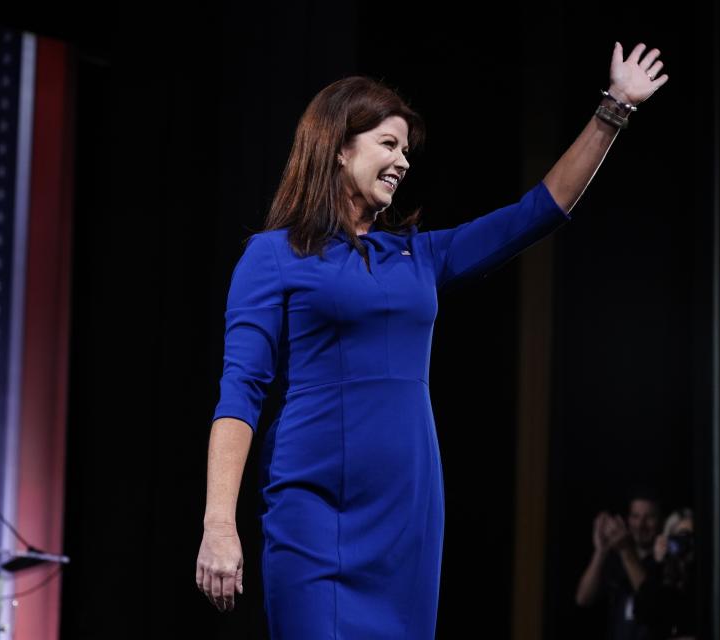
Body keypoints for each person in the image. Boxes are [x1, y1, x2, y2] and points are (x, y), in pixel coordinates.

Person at [197, 42, 669, 638]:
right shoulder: (273, 257)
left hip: (406, 516)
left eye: (406, 150)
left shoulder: (418, 256)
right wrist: (219, 522)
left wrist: (613, 111)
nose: (402, 162)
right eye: (388, 145)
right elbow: (240, 392)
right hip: (311, 513)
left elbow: (539, 211)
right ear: (339, 148)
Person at [576, 494, 665, 640]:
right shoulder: (617, 561)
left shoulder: (666, 562)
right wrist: (601, 551)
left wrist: (625, 550)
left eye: (649, 517)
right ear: (628, 520)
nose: (641, 525)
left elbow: (651, 603)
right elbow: (583, 599)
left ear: (661, 521)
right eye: (635, 516)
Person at [633, 508, 697, 639]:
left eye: (691, 537)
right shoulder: (662, 582)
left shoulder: (706, 579)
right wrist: (658, 563)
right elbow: (642, 613)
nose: (685, 543)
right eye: (680, 537)